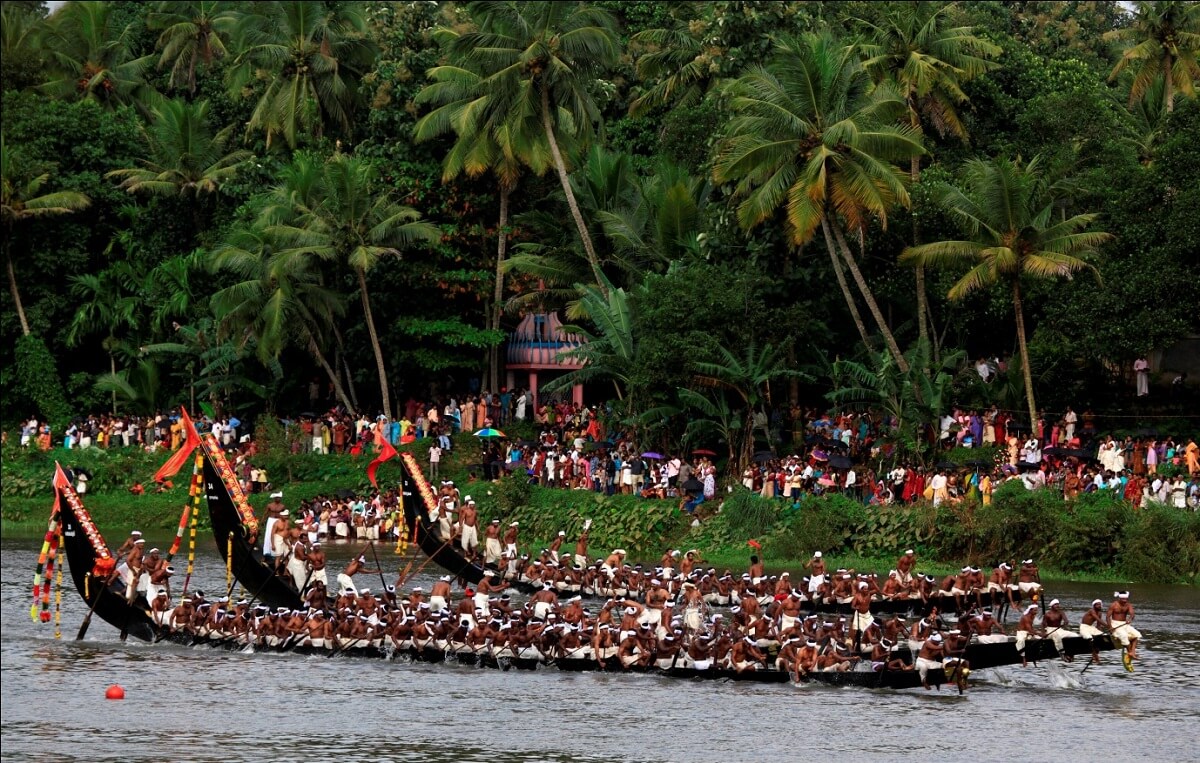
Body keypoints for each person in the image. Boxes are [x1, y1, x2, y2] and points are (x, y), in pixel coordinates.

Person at [1108, 591, 1141, 661]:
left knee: (1137, 635)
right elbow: (1108, 617)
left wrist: (1129, 619)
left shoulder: (1128, 605)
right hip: (1115, 623)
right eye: (1123, 599)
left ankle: (1133, 652)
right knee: (1124, 635)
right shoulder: (1114, 605)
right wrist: (1110, 627)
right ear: (1119, 598)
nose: (1124, 601)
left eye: (1126, 599)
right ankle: (1129, 652)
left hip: (1124, 624)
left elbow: (1132, 614)